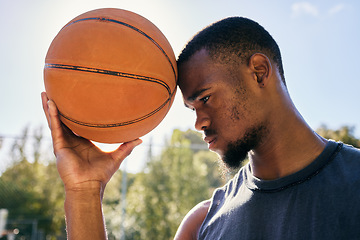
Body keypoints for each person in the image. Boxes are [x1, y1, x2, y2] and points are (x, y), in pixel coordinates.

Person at [41, 16, 360, 240]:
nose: (198, 123)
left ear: (259, 72)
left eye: (205, 98)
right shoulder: (202, 223)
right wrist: (83, 193)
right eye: (192, 108)